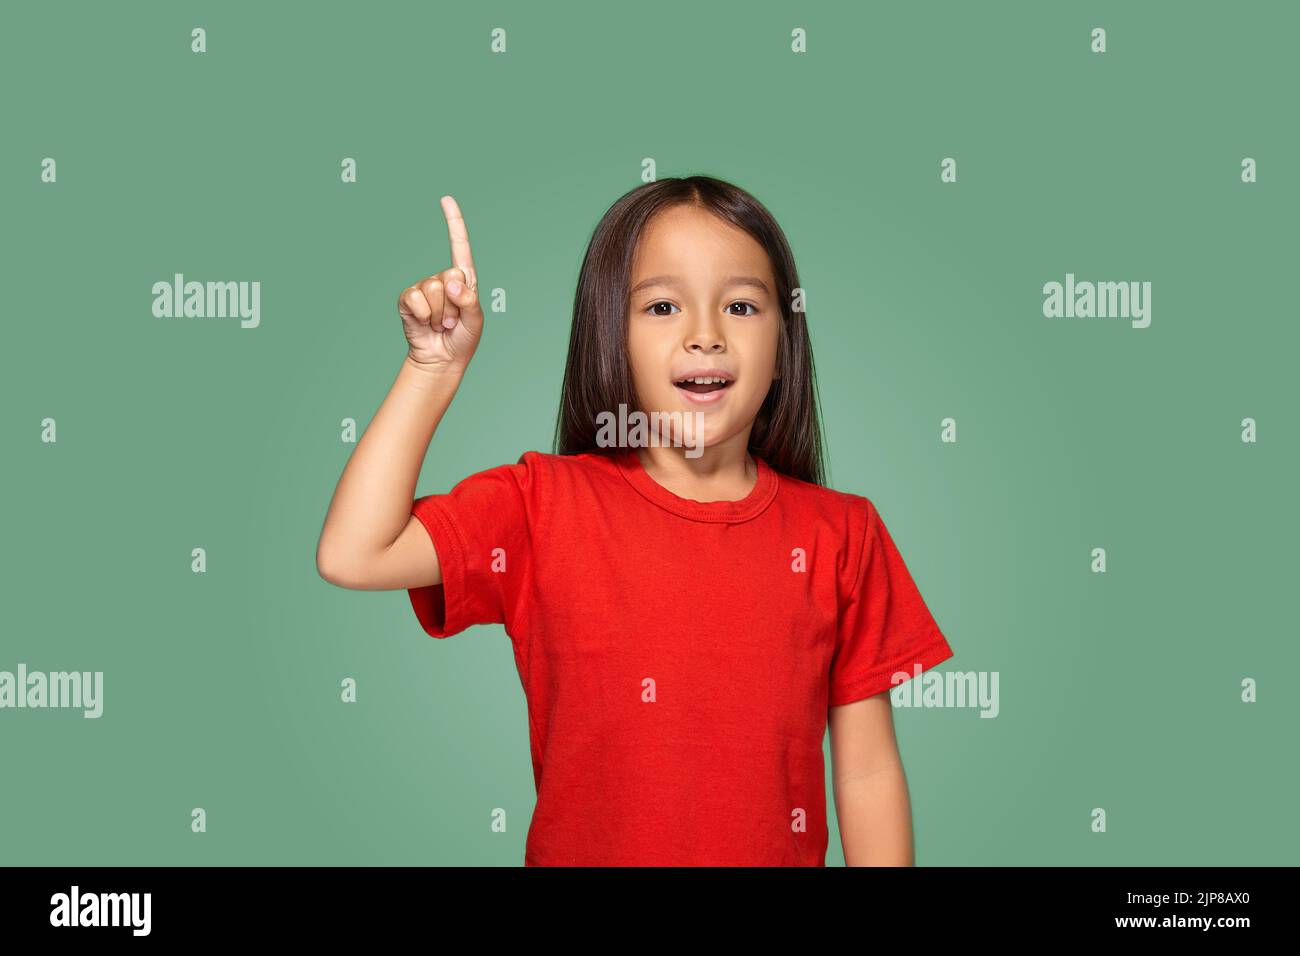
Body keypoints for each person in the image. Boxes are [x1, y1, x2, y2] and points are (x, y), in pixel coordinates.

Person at [316, 176, 954, 866]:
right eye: (662, 306)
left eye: (741, 306)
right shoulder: (541, 504)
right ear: (610, 338)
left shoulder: (843, 533)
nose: (705, 336)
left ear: (783, 347)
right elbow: (355, 553)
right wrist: (432, 369)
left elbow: (866, 773)